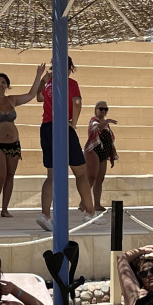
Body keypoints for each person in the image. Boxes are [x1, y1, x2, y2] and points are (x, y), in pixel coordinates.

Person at [0, 64, 46, 217]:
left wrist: (38, 74)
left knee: (10, 175)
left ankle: (5, 208)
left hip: (13, 143)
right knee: (1, 175)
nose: (0, 84)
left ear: (7, 86)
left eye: (3, 82)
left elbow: (31, 94)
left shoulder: (12, 100)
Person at [35, 57, 96, 231]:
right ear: (69, 68)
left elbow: (39, 97)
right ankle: (90, 212)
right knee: (81, 172)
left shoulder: (49, 84)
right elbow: (77, 102)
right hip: (63, 127)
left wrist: (43, 80)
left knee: (51, 175)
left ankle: (45, 215)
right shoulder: (71, 83)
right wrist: (74, 124)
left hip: (46, 128)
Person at [83, 101, 118, 212]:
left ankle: (97, 204)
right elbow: (96, 128)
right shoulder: (94, 120)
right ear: (96, 110)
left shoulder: (106, 125)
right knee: (91, 177)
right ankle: (83, 202)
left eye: (105, 109)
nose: (103, 111)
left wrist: (112, 156)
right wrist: (106, 121)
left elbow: (110, 141)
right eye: (101, 109)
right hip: (93, 151)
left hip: (104, 153)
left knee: (100, 179)